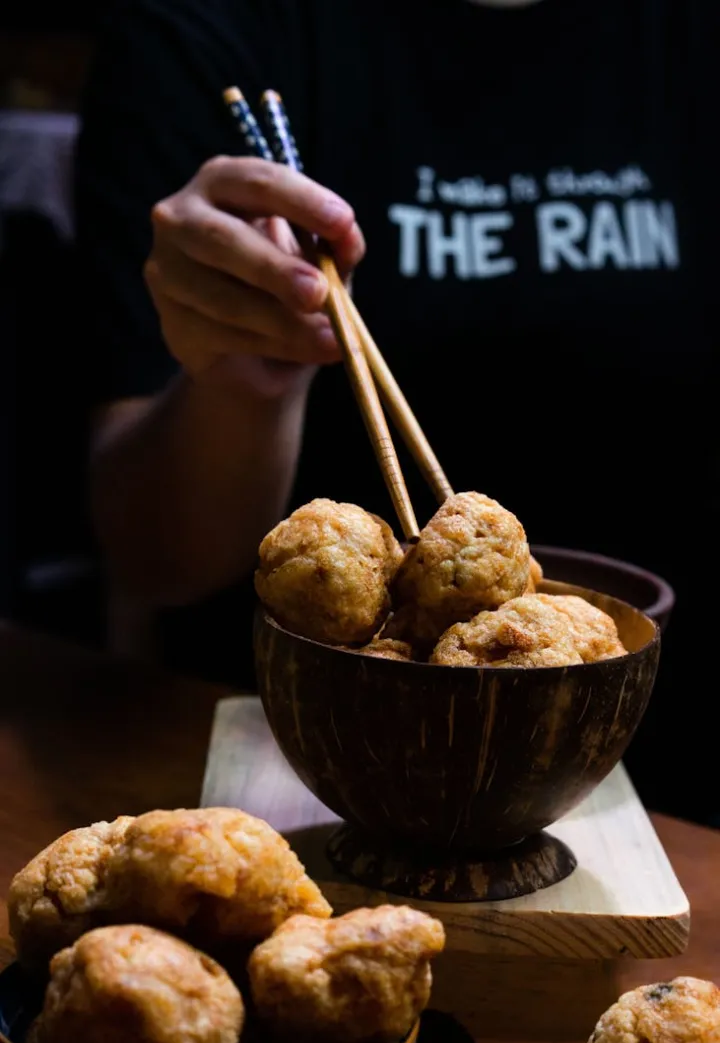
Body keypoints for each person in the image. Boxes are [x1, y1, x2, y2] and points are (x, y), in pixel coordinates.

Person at [75, 0, 719, 823]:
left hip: (672, 784)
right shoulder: (217, 30)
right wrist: (240, 377)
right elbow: (153, 559)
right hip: (303, 778)